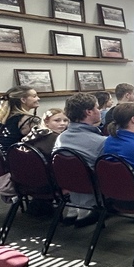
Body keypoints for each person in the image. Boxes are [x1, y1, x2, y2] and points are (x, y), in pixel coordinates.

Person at [53, 92, 107, 226]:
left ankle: (75, 208)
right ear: (89, 112)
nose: (99, 111)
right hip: (93, 188)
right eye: (97, 107)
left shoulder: (61, 138)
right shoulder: (100, 142)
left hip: (70, 185)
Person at [0, 86, 41, 154]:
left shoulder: (0, 118)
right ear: (23, 100)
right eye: (34, 96)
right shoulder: (29, 120)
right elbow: (39, 145)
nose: (38, 98)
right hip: (15, 158)